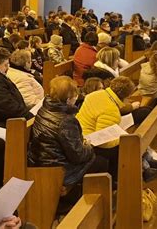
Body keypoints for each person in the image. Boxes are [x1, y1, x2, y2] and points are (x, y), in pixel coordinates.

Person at [28, 76, 107, 209]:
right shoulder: (65, 120)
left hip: (43, 160)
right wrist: (89, 145)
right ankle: (88, 205)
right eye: (75, 94)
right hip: (59, 169)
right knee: (102, 161)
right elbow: (78, 155)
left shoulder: (46, 108)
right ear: (69, 98)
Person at [77, 77, 157, 183]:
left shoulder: (97, 95)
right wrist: (124, 139)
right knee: (125, 146)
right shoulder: (111, 110)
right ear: (125, 96)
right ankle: (123, 180)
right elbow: (104, 141)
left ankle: (146, 162)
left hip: (81, 135)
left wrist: (130, 108)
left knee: (143, 114)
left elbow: (119, 106)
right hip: (91, 143)